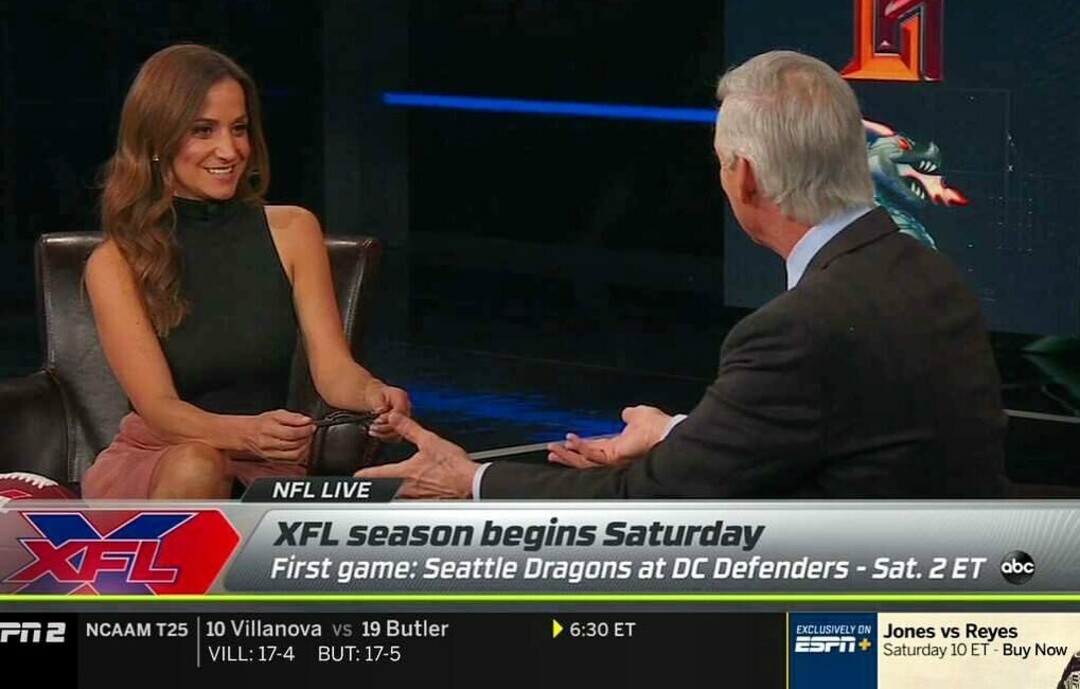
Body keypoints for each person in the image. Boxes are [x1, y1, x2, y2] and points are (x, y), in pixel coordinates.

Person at [355, 49, 1007, 499]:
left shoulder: (797, 328)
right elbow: (835, 427)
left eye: (721, 162)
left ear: (744, 177)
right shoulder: (927, 273)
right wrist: (675, 433)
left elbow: (650, 503)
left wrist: (470, 479)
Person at [80, 44, 410, 499]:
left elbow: (333, 369)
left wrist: (374, 394)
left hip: (263, 464)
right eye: (203, 130)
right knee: (198, 464)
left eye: (238, 129)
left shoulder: (294, 230)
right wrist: (245, 432)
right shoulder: (115, 262)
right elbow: (159, 409)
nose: (230, 149)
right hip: (160, 460)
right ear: (156, 140)